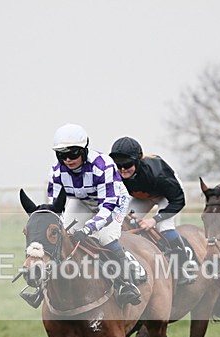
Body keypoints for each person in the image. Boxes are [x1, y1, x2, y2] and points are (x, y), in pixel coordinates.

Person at [47, 123, 143, 306]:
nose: (67, 159)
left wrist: (88, 228)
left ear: (84, 150)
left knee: (105, 236)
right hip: (82, 200)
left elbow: (107, 207)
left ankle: (127, 282)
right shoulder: (56, 171)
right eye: (61, 154)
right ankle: (46, 286)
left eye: (73, 153)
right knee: (61, 235)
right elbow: (55, 205)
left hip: (113, 201)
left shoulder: (103, 164)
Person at [109, 136, 195, 286]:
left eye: (127, 164)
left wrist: (154, 219)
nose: (122, 169)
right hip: (142, 195)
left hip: (166, 194)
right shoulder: (115, 174)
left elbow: (179, 201)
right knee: (120, 222)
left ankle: (184, 266)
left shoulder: (158, 174)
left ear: (137, 161)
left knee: (164, 227)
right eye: (119, 164)